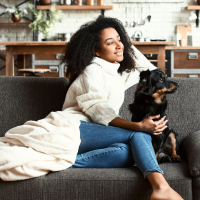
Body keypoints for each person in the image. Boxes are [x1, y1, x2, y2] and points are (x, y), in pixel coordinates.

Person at [61, 15, 183, 200]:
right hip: (74, 128)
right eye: (110, 43)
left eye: (120, 39)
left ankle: (63, 163)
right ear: (96, 50)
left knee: (131, 152)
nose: (119, 46)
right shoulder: (92, 70)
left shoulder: (116, 72)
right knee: (140, 135)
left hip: (97, 133)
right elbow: (98, 110)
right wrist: (139, 126)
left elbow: (147, 69)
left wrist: (123, 43)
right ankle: (161, 188)